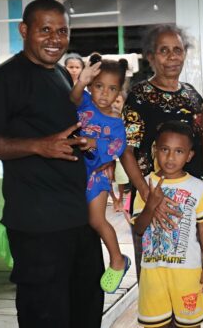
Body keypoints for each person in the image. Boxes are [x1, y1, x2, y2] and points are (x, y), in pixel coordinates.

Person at [0, 0, 104, 327]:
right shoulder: (2, 79)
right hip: (37, 223)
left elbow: (64, 128)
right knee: (45, 314)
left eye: (62, 31)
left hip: (79, 217)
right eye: (45, 30)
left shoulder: (60, 74)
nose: (55, 39)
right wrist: (38, 146)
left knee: (86, 307)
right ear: (24, 30)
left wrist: (89, 142)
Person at [120, 24, 203, 276]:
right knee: (153, 272)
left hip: (189, 200)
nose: (172, 57)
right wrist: (149, 197)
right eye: (164, 51)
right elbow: (126, 150)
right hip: (151, 200)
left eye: (177, 50)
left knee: (188, 275)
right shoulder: (139, 96)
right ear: (151, 57)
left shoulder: (192, 95)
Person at [133, 121, 203, 328]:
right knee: (156, 324)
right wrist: (150, 205)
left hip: (187, 270)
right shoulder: (145, 186)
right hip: (153, 272)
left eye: (179, 151)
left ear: (189, 155)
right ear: (155, 150)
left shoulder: (197, 187)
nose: (170, 157)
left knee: (190, 322)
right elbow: (139, 228)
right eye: (165, 150)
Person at [69, 53, 131, 293]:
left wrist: (94, 143)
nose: (104, 93)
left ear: (119, 92)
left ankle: (118, 260)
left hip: (97, 176)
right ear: (90, 86)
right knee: (78, 220)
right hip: (75, 173)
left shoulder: (116, 123)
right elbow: (72, 98)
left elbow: (118, 146)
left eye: (112, 88)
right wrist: (81, 81)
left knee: (96, 220)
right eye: (99, 86)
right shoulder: (84, 102)